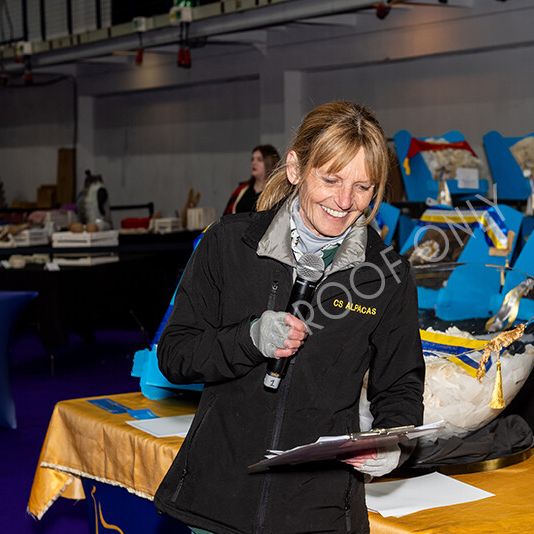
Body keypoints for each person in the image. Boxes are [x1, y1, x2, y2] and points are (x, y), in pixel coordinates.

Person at [154, 101, 425, 534]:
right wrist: (248, 339)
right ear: (297, 168)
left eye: (363, 187)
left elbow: (400, 385)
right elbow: (175, 353)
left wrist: (393, 440)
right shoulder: (229, 244)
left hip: (319, 510)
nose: (344, 201)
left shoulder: (387, 274)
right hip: (220, 500)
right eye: (331, 179)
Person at [223, 144, 281, 215]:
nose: (253, 163)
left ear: (270, 162)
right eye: (252, 159)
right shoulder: (242, 190)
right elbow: (226, 216)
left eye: (259, 160)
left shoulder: (277, 192)